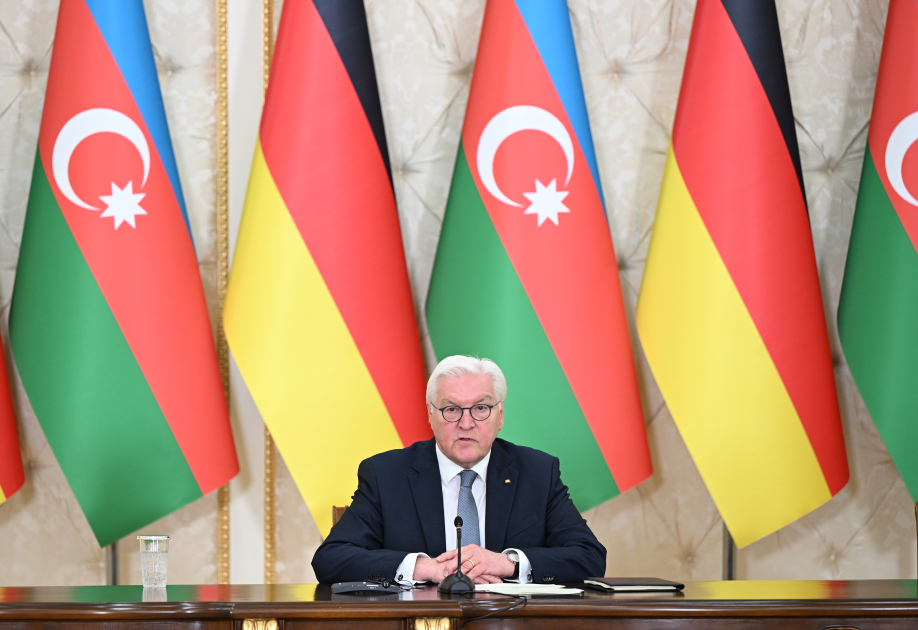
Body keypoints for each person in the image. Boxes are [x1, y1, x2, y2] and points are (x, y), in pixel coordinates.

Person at [312, 355, 606, 585]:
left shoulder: (537, 473)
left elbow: (589, 556)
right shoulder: (386, 475)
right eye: (451, 409)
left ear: (500, 415)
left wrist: (508, 563)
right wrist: (422, 567)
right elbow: (331, 559)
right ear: (431, 414)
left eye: (481, 408)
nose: (466, 423)